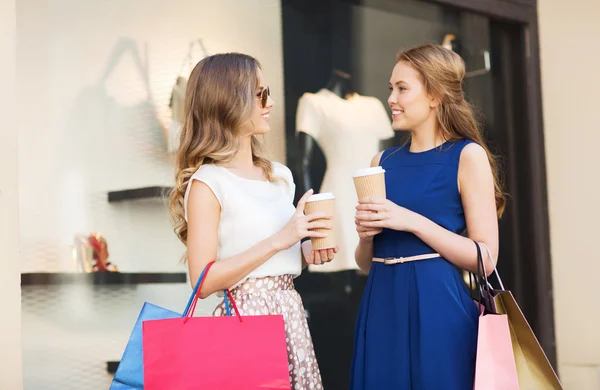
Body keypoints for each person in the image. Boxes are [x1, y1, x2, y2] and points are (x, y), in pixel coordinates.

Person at [168, 53, 338, 389]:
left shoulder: (280, 176)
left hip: (291, 315)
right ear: (228, 101)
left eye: (267, 91)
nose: (270, 102)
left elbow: (275, 259)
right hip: (244, 320)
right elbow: (202, 282)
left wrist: (305, 251)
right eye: (259, 94)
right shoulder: (208, 183)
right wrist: (282, 239)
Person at [350, 44, 505, 390]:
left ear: (434, 95)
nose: (391, 97)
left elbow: (485, 258)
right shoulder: (381, 163)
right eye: (391, 88)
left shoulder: (467, 155)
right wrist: (365, 235)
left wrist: (410, 220)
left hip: (438, 307)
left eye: (402, 88)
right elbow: (364, 263)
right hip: (381, 303)